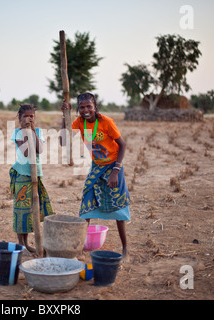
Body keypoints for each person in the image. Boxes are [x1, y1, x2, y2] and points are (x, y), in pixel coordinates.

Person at [60, 93, 131, 258]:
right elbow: (63, 141)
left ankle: (125, 247)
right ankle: (79, 247)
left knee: (118, 207)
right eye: (82, 107)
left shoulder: (106, 122)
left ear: (95, 107)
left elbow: (122, 145)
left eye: (89, 106)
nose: (86, 110)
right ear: (78, 109)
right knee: (86, 204)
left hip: (113, 167)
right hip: (96, 167)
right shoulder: (79, 123)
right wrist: (65, 116)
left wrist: (115, 171)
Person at [10, 104, 54, 253]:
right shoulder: (17, 133)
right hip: (23, 174)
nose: (29, 119)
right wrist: (25, 132)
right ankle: (22, 244)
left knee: (32, 210)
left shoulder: (38, 132)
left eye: (32, 116)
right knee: (21, 210)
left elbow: (39, 150)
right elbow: (27, 152)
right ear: (19, 118)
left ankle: (28, 243)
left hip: (36, 175)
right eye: (26, 116)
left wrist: (33, 131)